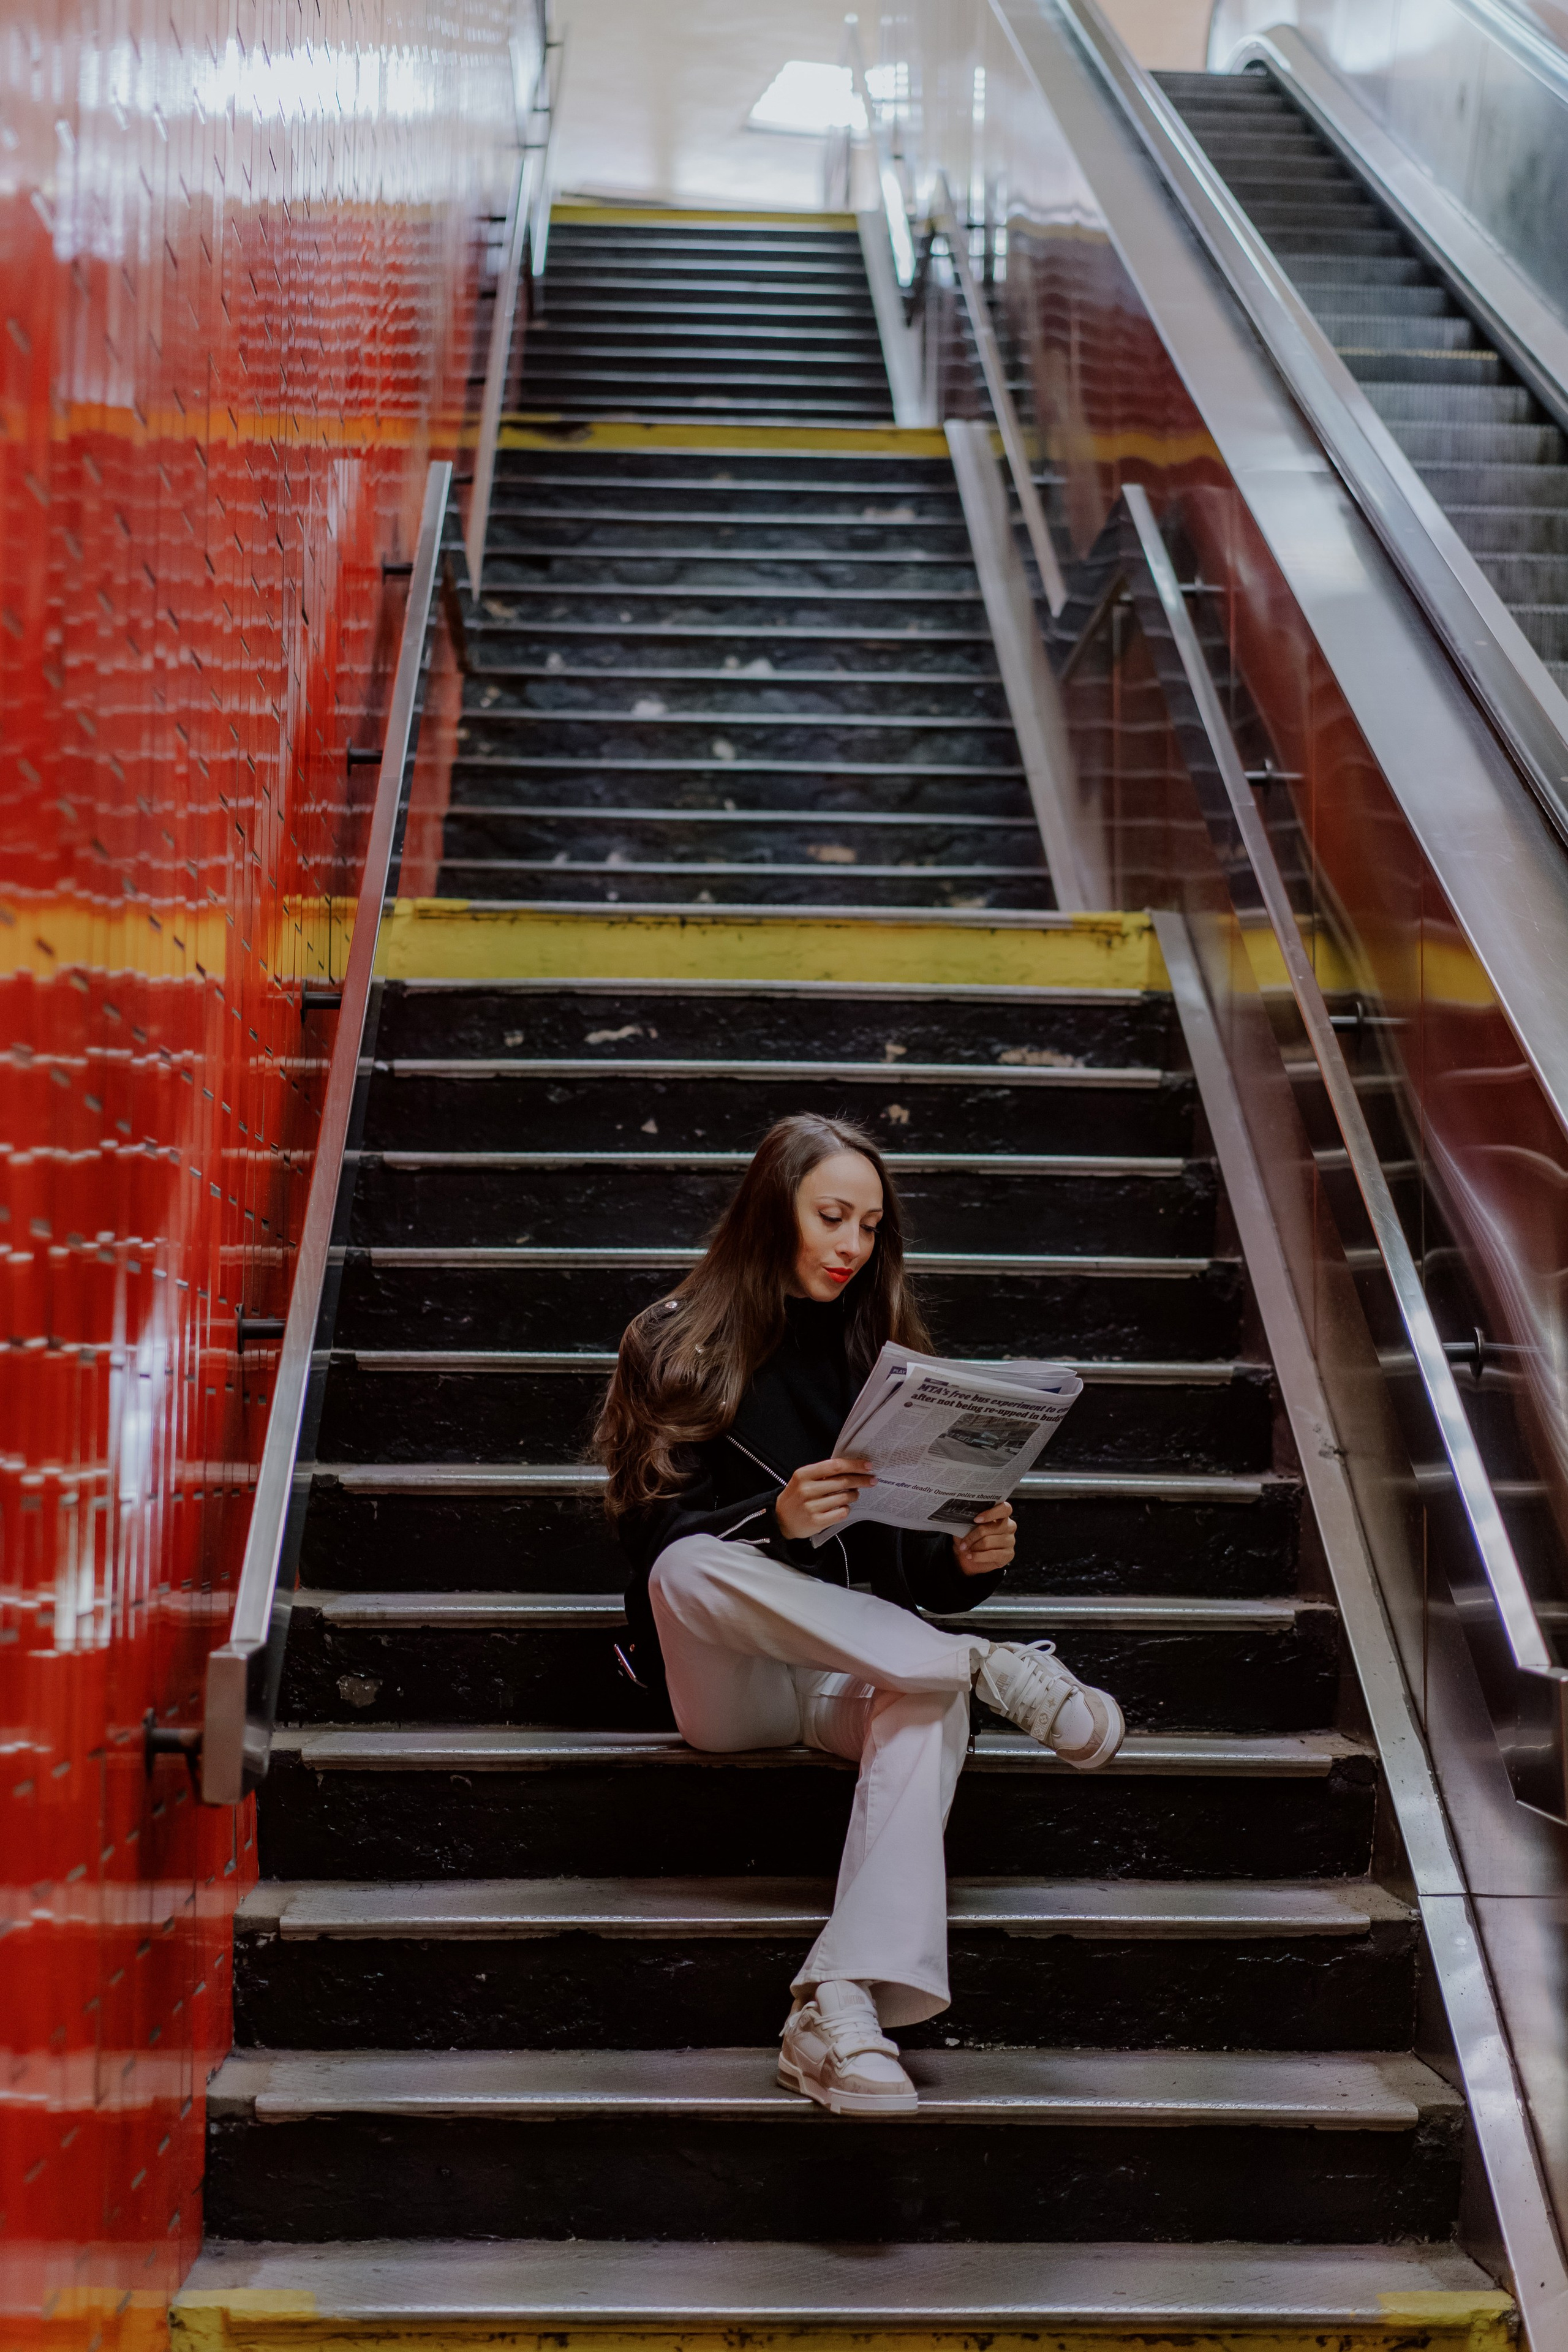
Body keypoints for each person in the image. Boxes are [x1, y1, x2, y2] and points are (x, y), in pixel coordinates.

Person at [595, 1112, 1125, 2118]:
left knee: (927, 1700)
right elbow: (645, 1524)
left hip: (860, 1658)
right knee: (685, 1565)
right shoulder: (672, 1339)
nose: (852, 1245)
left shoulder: (880, 1355)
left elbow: (904, 1558)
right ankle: (981, 1664)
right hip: (730, 1680)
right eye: (831, 1216)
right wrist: (778, 1521)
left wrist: (964, 1560)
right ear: (771, 1212)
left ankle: (838, 2006)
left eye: (870, 1226)